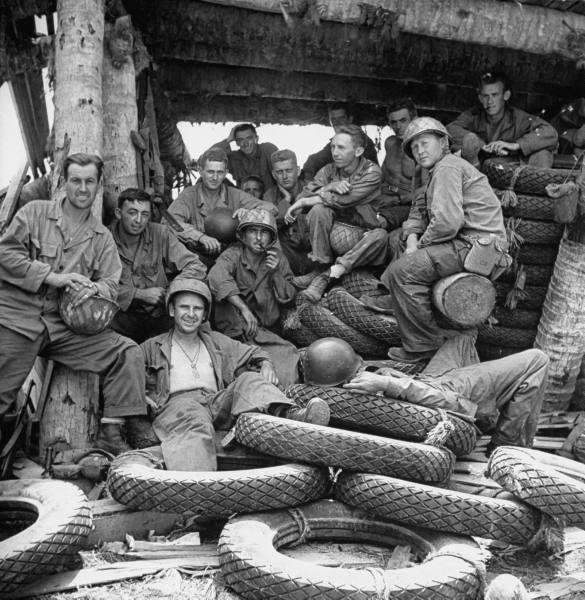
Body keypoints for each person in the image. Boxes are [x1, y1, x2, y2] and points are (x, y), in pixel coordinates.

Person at [0, 153, 147, 454]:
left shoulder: (102, 237)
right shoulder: (35, 213)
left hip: (65, 327)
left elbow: (111, 283)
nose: (82, 188)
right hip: (17, 318)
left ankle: (111, 432)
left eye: (89, 181)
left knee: (126, 352)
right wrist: (52, 278)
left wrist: (94, 287)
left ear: (98, 185)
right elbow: (5, 255)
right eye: (76, 180)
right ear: (63, 182)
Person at [140, 278, 330, 471]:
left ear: (205, 313)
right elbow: (126, 376)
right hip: (178, 406)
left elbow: (256, 352)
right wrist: (142, 396)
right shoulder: (152, 346)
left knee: (249, 379)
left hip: (215, 401)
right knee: (194, 418)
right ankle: (197, 486)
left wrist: (266, 365)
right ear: (172, 310)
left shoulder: (216, 341)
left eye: (197, 309)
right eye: (184, 307)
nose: (190, 314)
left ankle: (292, 416)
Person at [364, 117, 508, 362]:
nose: (420, 150)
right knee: (401, 242)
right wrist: (411, 240)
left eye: (425, 142)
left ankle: (423, 346)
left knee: (405, 272)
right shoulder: (434, 173)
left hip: (475, 245)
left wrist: (418, 248)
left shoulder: (448, 167)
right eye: (415, 147)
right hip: (466, 242)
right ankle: (393, 296)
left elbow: (447, 223)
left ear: (443, 142)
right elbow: (418, 213)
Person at [344, 333, 549, 456]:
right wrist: (387, 383)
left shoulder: (341, 387)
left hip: (427, 380)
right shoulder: (373, 400)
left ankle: (489, 418)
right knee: (538, 360)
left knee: (462, 340)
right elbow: (442, 401)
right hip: (447, 393)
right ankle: (506, 444)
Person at [285, 124, 386, 303]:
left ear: (358, 151)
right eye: (333, 147)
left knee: (381, 236)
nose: (335, 153)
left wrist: (305, 201)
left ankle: (328, 274)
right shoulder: (328, 170)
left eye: (341, 148)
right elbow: (303, 195)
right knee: (318, 210)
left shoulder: (372, 172)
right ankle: (320, 265)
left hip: (361, 236)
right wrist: (328, 187)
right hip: (333, 235)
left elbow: (345, 199)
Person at [208, 208, 300, 387]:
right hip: (236, 333)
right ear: (243, 235)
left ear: (271, 237)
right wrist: (244, 309)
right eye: (253, 231)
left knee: (288, 354)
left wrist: (276, 274)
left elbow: (288, 296)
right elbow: (215, 277)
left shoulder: (276, 258)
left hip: (265, 333)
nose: (259, 238)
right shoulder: (233, 255)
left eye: (264, 232)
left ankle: (284, 403)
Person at [109, 188, 206, 343]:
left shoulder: (160, 233)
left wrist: (171, 291)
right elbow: (93, 285)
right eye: (132, 213)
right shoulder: (104, 239)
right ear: (119, 213)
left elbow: (196, 266)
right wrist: (138, 294)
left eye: (145, 214)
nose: (139, 220)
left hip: (160, 315)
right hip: (121, 319)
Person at [167, 147, 277, 264]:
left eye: (220, 172)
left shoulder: (236, 195)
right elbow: (169, 220)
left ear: (225, 173)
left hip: (230, 257)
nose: (215, 178)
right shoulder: (188, 195)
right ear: (200, 170)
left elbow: (273, 209)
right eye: (210, 172)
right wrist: (199, 237)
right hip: (195, 256)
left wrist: (250, 213)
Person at [447, 71, 558, 168]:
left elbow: (550, 132)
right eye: (485, 96)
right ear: (480, 98)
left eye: (494, 95)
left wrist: (516, 145)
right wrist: (480, 144)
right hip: (480, 167)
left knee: (543, 152)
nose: (490, 101)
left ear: (506, 95)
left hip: (509, 169)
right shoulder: (474, 115)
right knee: (457, 148)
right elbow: (451, 129)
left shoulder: (518, 117)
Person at [376, 98, 423, 230]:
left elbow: (428, 189)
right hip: (386, 198)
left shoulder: (422, 150)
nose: (398, 126)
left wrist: (397, 200)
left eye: (403, 120)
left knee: (379, 221)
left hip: (409, 205)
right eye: (393, 122)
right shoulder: (390, 143)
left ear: (414, 119)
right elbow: (381, 178)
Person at [263, 149, 312, 275]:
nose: (284, 176)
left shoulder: (312, 188)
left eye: (289, 171)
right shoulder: (269, 196)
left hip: (314, 252)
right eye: (279, 172)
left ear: (298, 170)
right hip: (288, 256)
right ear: (274, 175)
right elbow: (270, 226)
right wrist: (286, 201)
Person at [301, 103, 379, 182]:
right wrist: (307, 183)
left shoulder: (361, 141)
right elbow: (314, 160)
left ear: (350, 119)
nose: (337, 122)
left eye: (341, 118)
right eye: (333, 119)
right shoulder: (337, 142)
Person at [209, 123, 278, 190]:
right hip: (243, 199)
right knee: (205, 178)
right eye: (240, 140)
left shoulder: (267, 149)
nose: (245, 143)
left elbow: (281, 174)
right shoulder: (234, 158)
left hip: (268, 199)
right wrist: (228, 140)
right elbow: (209, 160)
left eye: (249, 138)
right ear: (236, 142)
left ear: (256, 139)